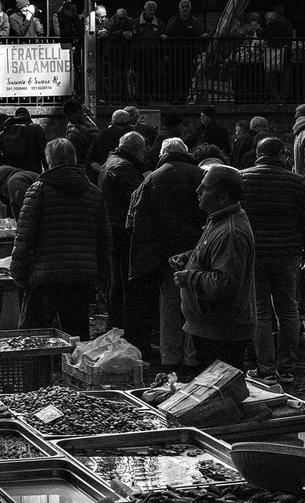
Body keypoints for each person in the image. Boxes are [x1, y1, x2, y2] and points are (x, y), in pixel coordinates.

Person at [11, 139, 113, 338]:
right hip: (82, 276)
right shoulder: (94, 192)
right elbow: (105, 241)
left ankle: (36, 370)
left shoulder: (39, 190)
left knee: (33, 336)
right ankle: (72, 368)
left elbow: (24, 236)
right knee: (76, 335)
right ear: (74, 158)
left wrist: (19, 273)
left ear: (49, 161)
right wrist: (102, 277)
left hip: (46, 274)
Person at [241, 138, 305, 383]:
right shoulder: (297, 182)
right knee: (288, 310)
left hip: (254, 254)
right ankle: (286, 368)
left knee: (261, 311)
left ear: (258, 153)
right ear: (283, 155)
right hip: (287, 254)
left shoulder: (242, 178)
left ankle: (265, 369)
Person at [126, 138, 206, 368]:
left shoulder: (151, 179)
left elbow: (133, 218)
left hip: (164, 251)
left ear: (162, 154)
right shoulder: (199, 174)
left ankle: (170, 355)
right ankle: (192, 356)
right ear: (185, 152)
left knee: (169, 303)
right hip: (195, 248)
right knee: (193, 303)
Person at [172, 165, 256, 370]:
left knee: (221, 393)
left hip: (222, 331)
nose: (197, 192)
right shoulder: (218, 219)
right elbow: (214, 257)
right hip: (210, 326)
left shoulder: (231, 232)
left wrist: (189, 278)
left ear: (223, 197)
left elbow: (226, 282)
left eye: (205, 188)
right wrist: (189, 258)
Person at [98, 131, 147, 323]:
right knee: (129, 283)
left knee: (118, 280)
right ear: (136, 149)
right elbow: (139, 199)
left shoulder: (110, 162)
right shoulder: (124, 167)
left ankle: (116, 321)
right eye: (143, 152)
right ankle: (130, 328)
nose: (144, 156)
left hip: (112, 227)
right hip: (124, 230)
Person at [0, 106, 47, 174]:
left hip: (13, 171)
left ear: (16, 116)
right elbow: (43, 152)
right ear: (29, 116)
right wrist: (47, 170)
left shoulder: (7, 131)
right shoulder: (36, 128)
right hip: (32, 170)